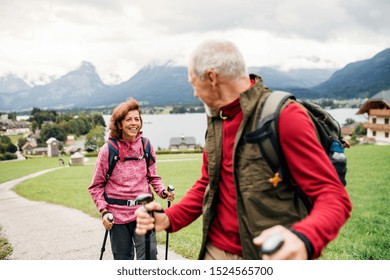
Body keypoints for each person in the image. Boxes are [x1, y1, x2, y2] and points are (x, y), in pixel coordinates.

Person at [135, 40, 352, 260]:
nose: (194, 94)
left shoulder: (285, 116)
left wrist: (304, 237)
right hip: (214, 252)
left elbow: (333, 196)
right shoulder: (216, 120)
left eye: (193, 84)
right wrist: (169, 218)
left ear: (212, 78)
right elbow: (208, 184)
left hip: (268, 256)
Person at [88, 98, 174, 260]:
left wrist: (163, 191)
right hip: (118, 217)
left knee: (149, 257)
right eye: (128, 119)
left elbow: (153, 176)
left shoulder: (146, 145)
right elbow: (96, 186)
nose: (134, 123)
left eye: (137, 119)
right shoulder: (108, 150)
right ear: (119, 124)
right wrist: (104, 211)